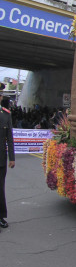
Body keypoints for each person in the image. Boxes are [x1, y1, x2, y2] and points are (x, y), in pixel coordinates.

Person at [0, 97, 15, 230]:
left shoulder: (6, 115)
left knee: (0, 188)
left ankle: (1, 216)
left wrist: (12, 157)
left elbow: (9, 137)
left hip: (1, 158)